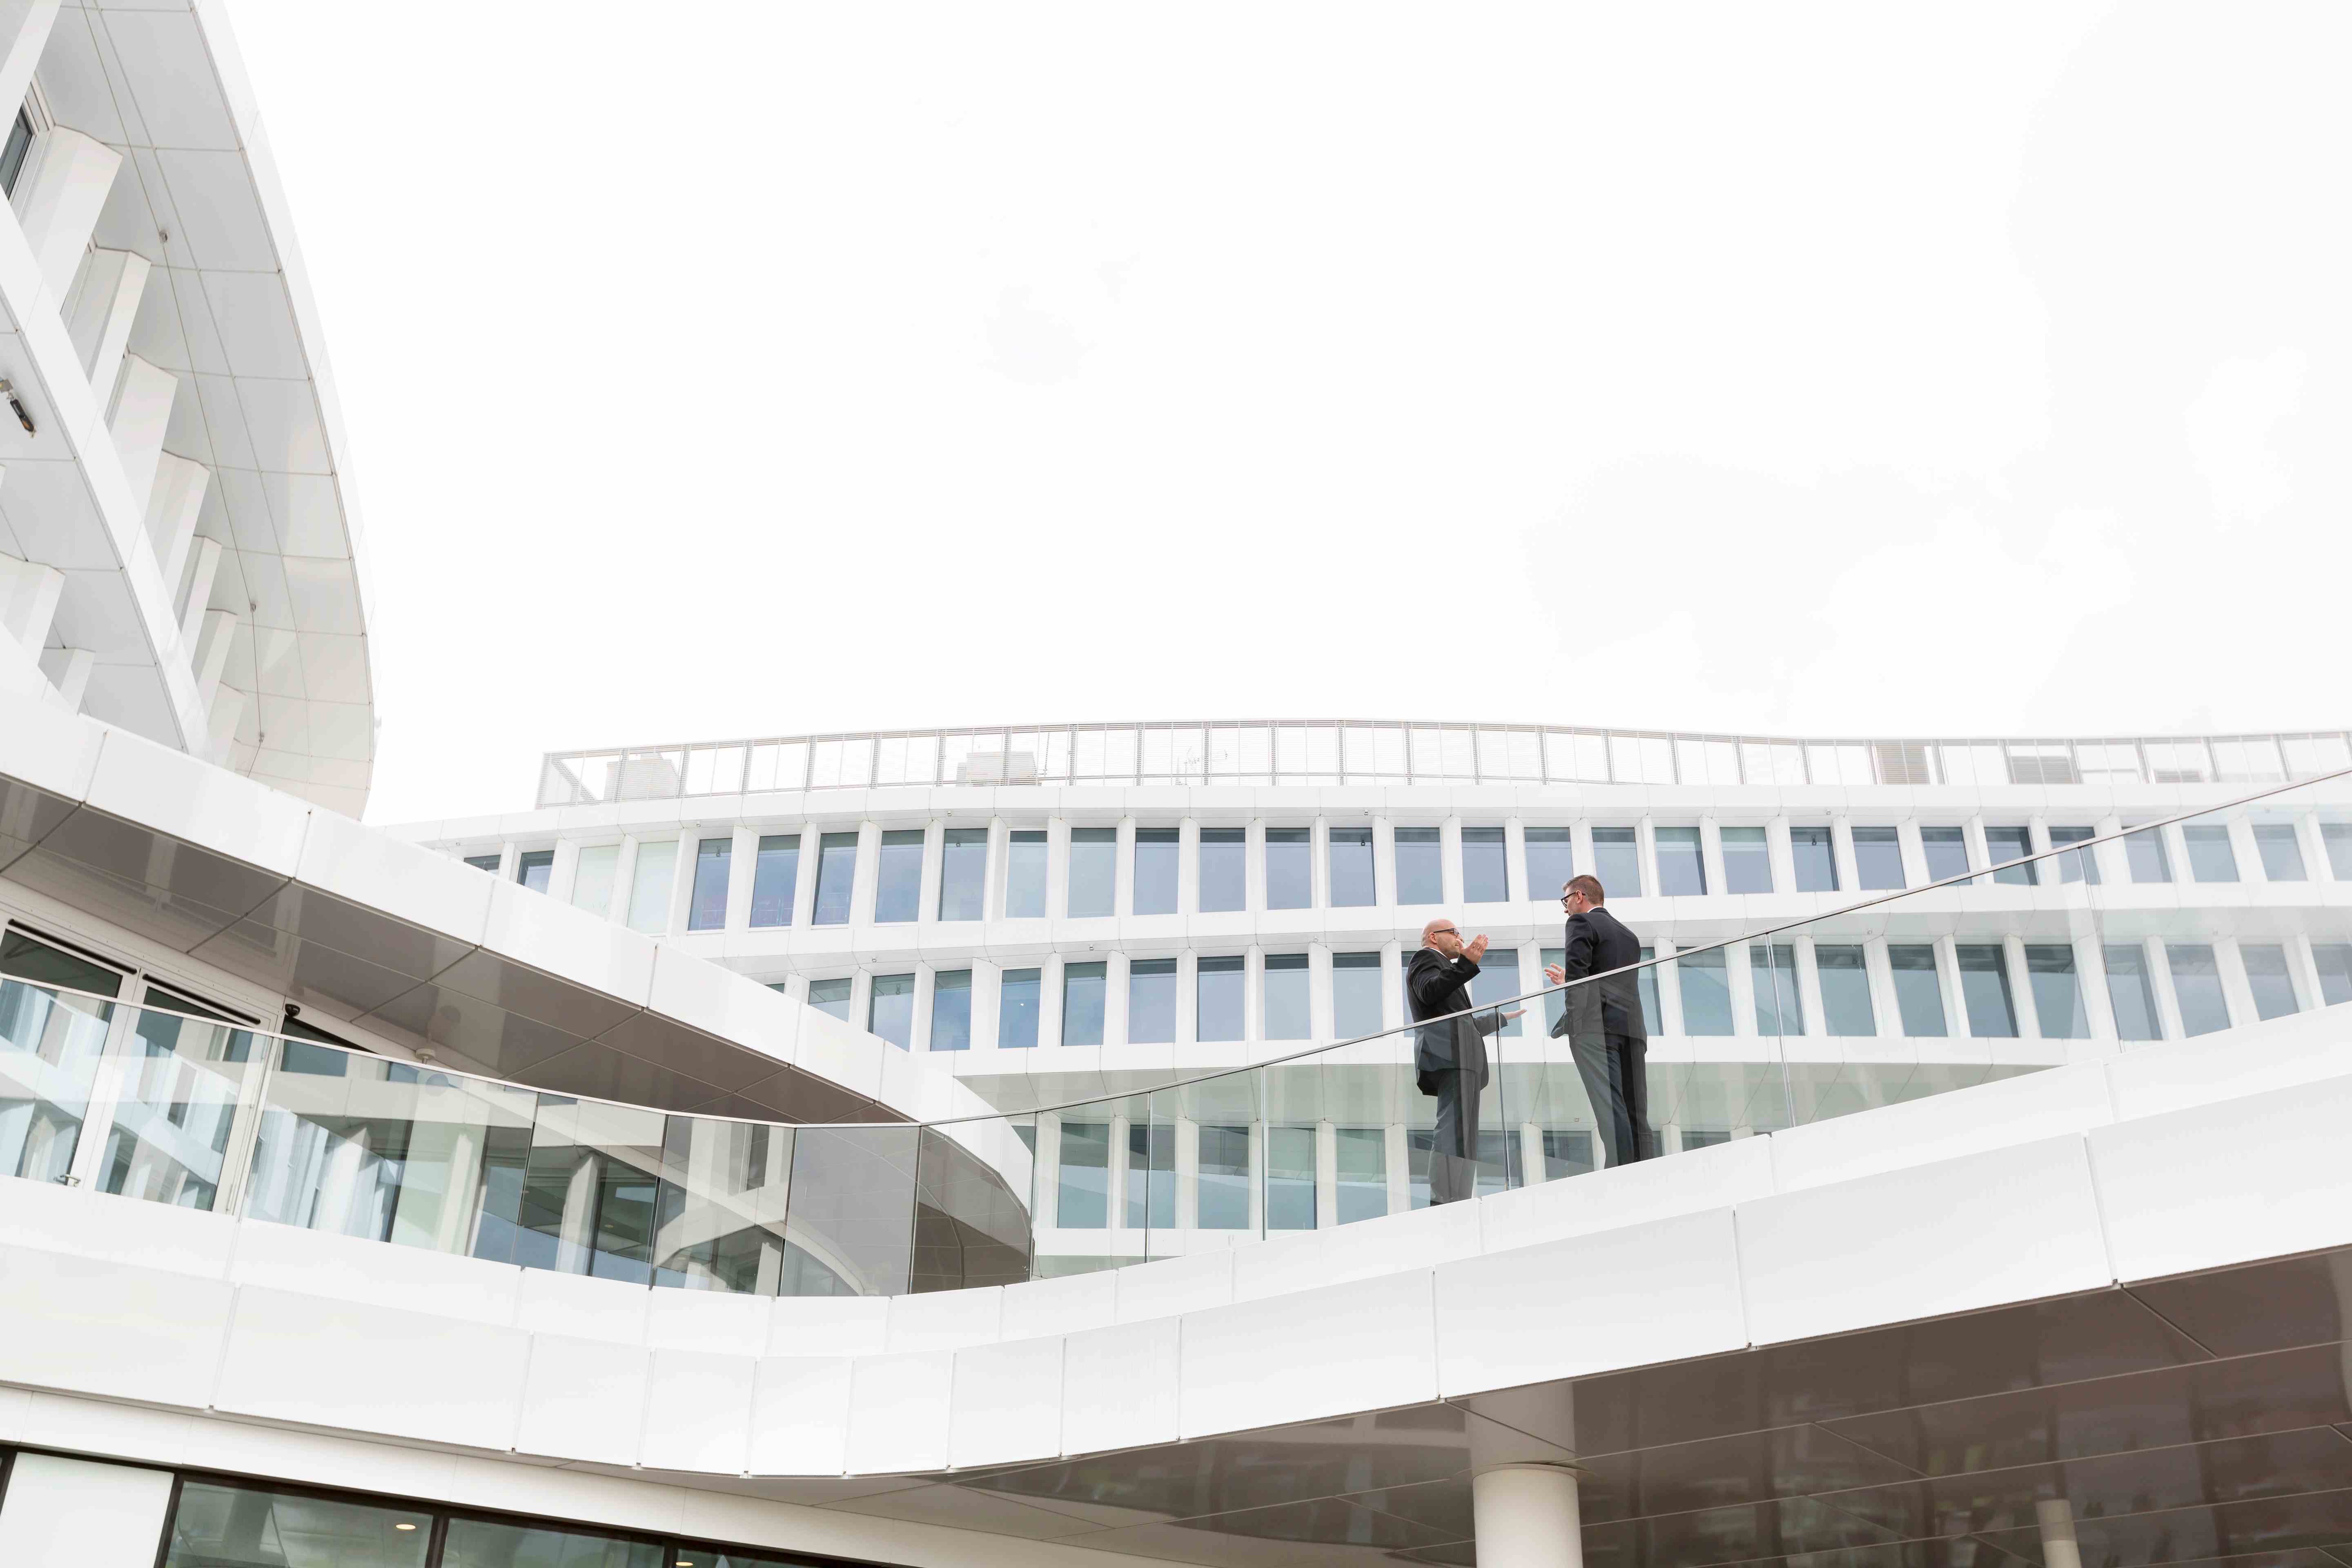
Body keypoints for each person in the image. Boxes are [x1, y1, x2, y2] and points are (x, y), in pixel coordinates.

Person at [1544, 874, 1652, 1167]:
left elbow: (1580, 980)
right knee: (1636, 1110)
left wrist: (1576, 1024)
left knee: (1610, 1105)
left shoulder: (1580, 922)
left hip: (1596, 1029)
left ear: (1579, 896)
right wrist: (1571, 980)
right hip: (1632, 1028)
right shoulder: (1629, 935)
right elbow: (1608, 979)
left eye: (1566, 900)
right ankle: (1646, 1170)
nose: (1566, 909)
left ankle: (1618, 1174)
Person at [1408, 918, 1513, 1203]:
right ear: (1433, 937)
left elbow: (1461, 1021)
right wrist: (1465, 965)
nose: (1459, 938)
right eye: (1454, 932)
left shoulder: (1446, 967)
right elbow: (1429, 992)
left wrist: (1498, 1019)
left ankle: (1460, 1198)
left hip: (1463, 1056)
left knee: (1466, 1134)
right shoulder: (1425, 958)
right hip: (1449, 1055)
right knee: (1452, 1128)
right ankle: (1443, 1200)